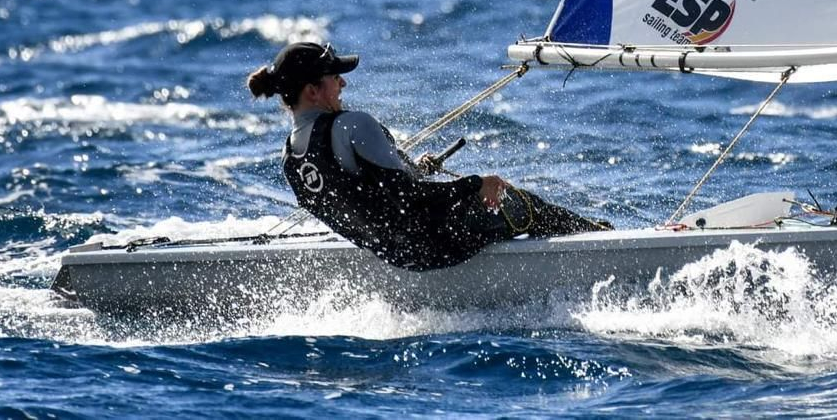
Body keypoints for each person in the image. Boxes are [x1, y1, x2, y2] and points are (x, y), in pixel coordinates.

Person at [248, 41, 609, 271]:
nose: (342, 84)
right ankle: (602, 245)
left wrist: (415, 170)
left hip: (397, 258)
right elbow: (409, 199)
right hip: (439, 244)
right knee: (517, 201)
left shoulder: (291, 161)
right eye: (334, 78)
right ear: (312, 90)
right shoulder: (351, 125)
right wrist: (475, 185)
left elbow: (375, 202)